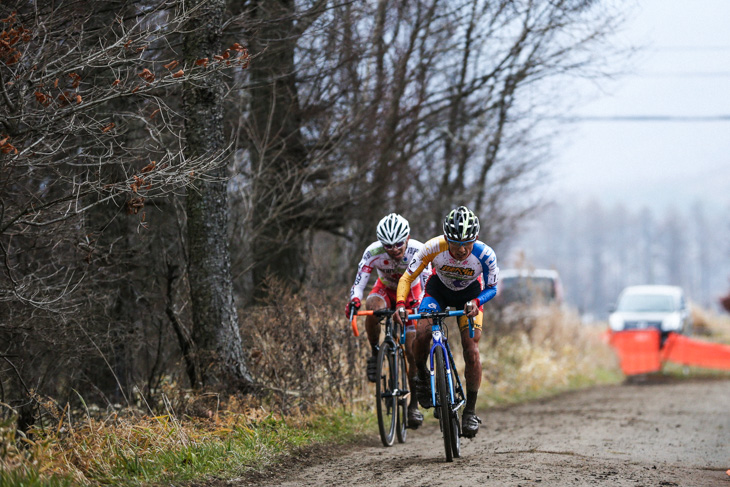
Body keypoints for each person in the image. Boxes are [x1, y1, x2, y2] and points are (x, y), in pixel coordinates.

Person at [393, 206, 498, 438]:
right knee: (422, 333)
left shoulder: (485, 254)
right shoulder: (433, 247)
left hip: (469, 297)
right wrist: (400, 304)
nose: (461, 250)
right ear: (445, 238)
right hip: (438, 292)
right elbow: (407, 277)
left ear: (476, 239)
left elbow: (492, 287)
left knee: (471, 350)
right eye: (455, 243)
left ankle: (469, 411)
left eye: (467, 243)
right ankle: (421, 375)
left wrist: (477, 301)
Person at [346, 213, 430, 428]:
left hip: (412, 295)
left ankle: (413, 407)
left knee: (412, 352)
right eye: (388, 245)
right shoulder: (372, 252)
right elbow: (360, 281)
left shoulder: (419, 250)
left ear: (408, 238)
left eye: (398, 244)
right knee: (371, 306)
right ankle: (376, 352)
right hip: (384, 290)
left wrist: (418, 306)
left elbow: (427, 283)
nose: (393, 249)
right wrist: (354, 300)